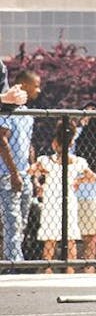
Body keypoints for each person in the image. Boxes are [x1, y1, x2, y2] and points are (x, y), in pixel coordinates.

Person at [28, 125, 96, 273]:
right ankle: (70, 268)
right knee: (70, 237)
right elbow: (92, 177)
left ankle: (48, 269)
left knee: (50, 238)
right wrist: (78, 181)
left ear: (54, 143)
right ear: (71, 143)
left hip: (51, 200)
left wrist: (39, 181)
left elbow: (31, 171)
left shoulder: (46, 161)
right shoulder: (78, 162)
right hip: (69, 200)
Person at [0, 70, 41, 264]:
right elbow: (2, 140)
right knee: (12, 220)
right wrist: (14, 173)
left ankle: (16, 257)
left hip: (24, 173)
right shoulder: (8, 111)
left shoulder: (27, 114)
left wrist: (32, 175)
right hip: (8, 174)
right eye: (36, 86)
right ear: (23, 86)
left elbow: (29, 145)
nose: (39, 90)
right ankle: (12, 262)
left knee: (22, 221)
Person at [70, 103, 96, 273]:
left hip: (88, 191)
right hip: (90, 192)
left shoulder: (80, 136)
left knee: (92, 235)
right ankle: (92, 268)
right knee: (93, 235)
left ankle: (92, 269)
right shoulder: (77, 136)